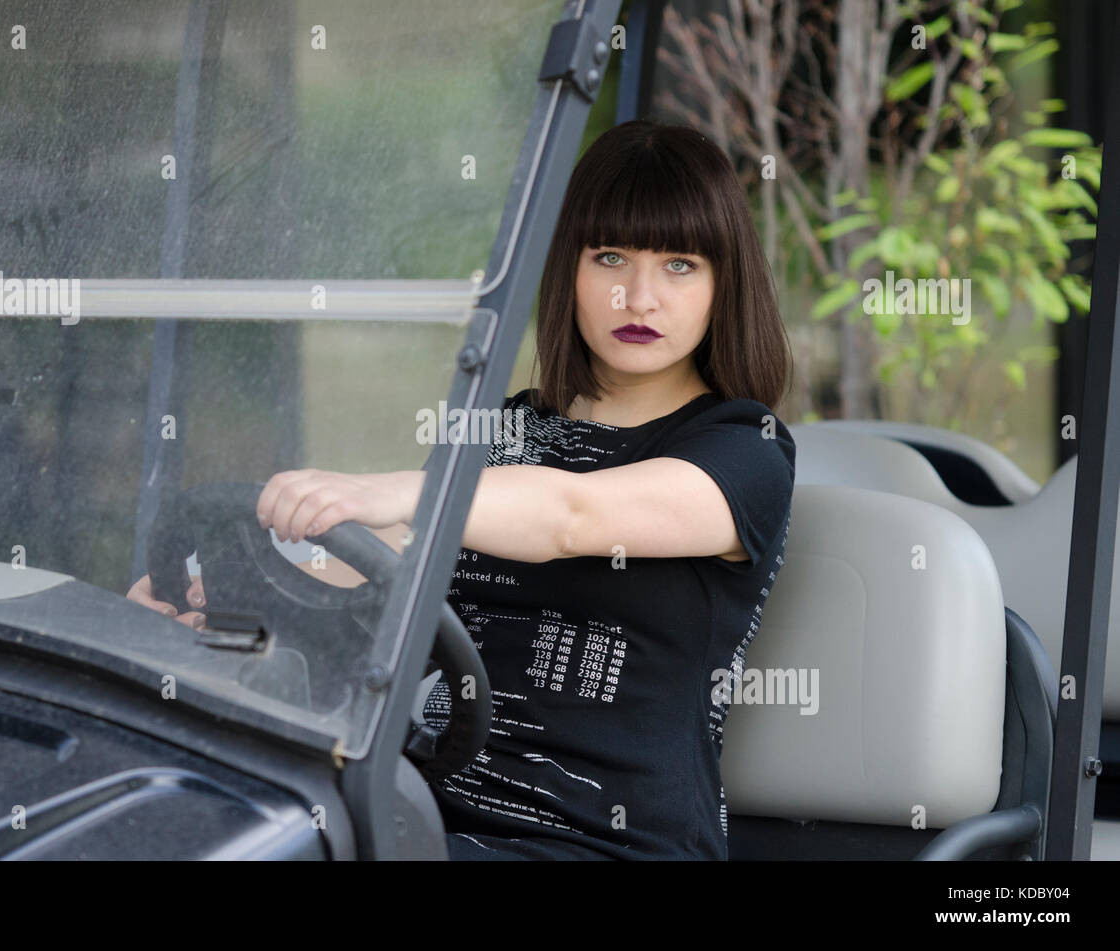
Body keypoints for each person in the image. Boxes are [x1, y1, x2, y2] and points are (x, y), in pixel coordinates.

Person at [128, 119, 795, 860]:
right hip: (424, 813)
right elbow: (370, 565)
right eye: (610, 257)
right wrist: (198, 595)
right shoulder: (510, 431)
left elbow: (573, 516)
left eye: (680, 264)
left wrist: (406, 491)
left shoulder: (745, 451)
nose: (638, 296)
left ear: (722, 283)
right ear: (567, 269)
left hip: (609, 846)